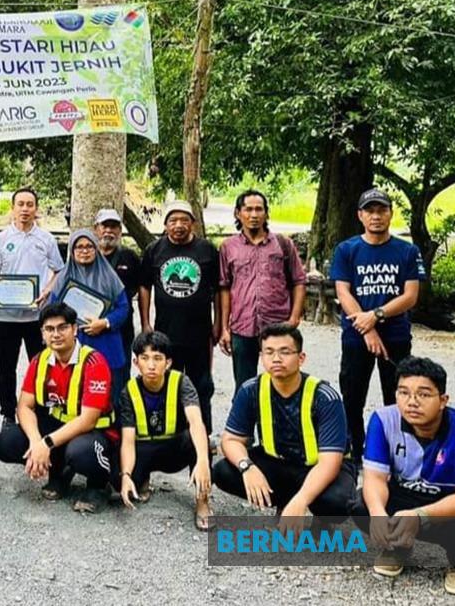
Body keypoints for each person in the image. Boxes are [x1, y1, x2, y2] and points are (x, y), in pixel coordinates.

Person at [350, 356, 455, 596]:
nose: (412, 402)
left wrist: (418, 516)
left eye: (424, 394)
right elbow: (374, 478)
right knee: (361, 505)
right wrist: (378, 515)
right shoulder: (384, 420)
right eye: (403, 393)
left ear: (443, 400)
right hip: (409, 495)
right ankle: (398, 546)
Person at [212, 323, 356, 525]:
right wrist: (248, 468)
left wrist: (301, 501)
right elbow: (231, 440)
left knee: (338, 503)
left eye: (285, 352)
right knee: (223, 472)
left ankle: (317, 517)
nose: (276, 359)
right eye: (269, 352)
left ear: (301, 358)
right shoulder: (251, 389)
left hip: (318, 465)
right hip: (278, 460)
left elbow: (329, 462)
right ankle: (284, 501)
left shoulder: (324, 397)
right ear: (261, 357)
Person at [331, 188, 425, 463]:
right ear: (360, 215)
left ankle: (396, 453)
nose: (376, 216)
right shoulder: (347, 249)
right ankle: (353, 453)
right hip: (356, 336)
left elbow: (410, 296)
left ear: (390, 214)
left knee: (397, 397)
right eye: (370, 211)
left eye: (381, 210)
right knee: (352, 396)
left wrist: (377, 316)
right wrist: (367, 328)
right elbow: (343, 292)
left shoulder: (407, 251)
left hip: (395, 336)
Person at [0, 303, 117, 514]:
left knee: (81, 453)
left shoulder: (94, 362)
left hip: (94, 432)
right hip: (59, 426)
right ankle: (59, 473)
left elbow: (88, 419)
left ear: (74, 329)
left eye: (62, 327)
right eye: (49, 329)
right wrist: (36, 442)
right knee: (7, 442)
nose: (56, 334)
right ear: (42, 333)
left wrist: (46, 443)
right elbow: (24, 406)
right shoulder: (40, 360)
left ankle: (99, 485)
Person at [0, 187, 63, 422]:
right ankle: (8, 413)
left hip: (36, 317)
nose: (25, 209)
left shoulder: (46, 239)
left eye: (30, 204)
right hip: (6, 316)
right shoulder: (2, 239)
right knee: (6, 368)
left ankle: (42, 411)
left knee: (41, 366)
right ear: (13, 208)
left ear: (36, 209)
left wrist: (47, 291)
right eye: (20, 204)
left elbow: (58, 270)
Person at [116, 331, 212, 530]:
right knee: (116, 481)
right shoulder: (129, 391)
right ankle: (141, 479)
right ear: (136, 363)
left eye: (157, 358)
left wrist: (202, 460)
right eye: (145, 358)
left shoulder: (181, 382)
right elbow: (127, 439)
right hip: (144, 449)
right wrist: (125, 475)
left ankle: (202, 501)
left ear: (168, 362)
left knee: (198, 441)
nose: (151, 365)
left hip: (174, 448)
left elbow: (196, 422)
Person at [139, 200, 220, 431]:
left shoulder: (207, 250)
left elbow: (218, 289)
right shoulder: (154, 250)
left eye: (184, 220)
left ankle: (203, 431)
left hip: (199, 332)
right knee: (166, 381)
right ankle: (170, 429)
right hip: (165, 332)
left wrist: (218, 323)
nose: (178, 225)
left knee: (201, 383)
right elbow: (144, 287)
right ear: (165, 225)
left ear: (193, 223)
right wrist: (145, 323)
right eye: (173, 220)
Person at [218, 189, 306, 394]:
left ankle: (278, 424)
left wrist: (293, 319)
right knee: (244, 387)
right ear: (238, 214)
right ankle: (245, 425)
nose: (254, 215)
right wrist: (224, 327)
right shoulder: (228, 247)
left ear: (267, 213)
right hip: (242, 326)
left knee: (282, 381)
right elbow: (224, 287)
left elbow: (299, 281)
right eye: (248, 209)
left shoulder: (283, 245)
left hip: (278, 325)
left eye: (259, 209)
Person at [51, 230, 130, 389]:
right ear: (72, 251)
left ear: (96, 249)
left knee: (110, 395)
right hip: (74, 345)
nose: (84, 251)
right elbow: (52, 313)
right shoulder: (63, 278)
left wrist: (105, 322)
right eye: (79, 247)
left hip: (106, 344)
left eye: (89, 246)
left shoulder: (109, 277)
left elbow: (124, 308)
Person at [94, 208, 141, 378]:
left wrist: (145, 323)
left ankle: (119, 405)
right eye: (104, 226)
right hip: (90, 325)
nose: (109, 231)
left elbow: (141, 289)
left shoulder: (130, 257)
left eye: (114, 226)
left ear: (120, 231)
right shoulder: (86, 255)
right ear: (96, 228)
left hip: (120, 327)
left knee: (119, 374)